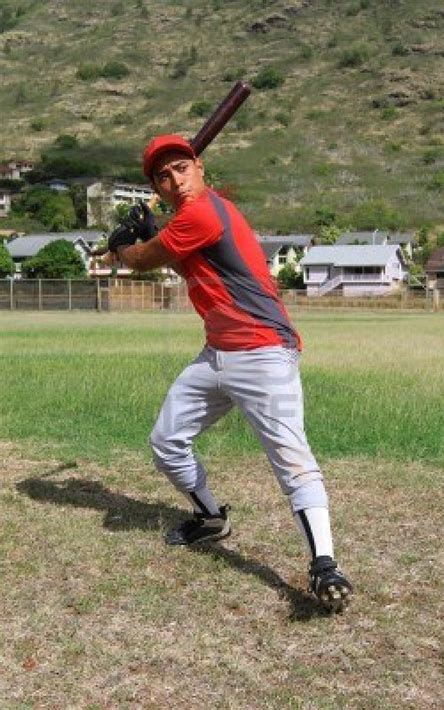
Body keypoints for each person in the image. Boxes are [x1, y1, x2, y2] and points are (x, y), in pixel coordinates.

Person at [105, 134, 353, 613]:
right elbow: (184, 265)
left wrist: (124, 248)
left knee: (292, 458)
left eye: (181, 168)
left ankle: (325, 564)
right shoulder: (192, 223)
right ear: (157, 186)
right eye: (163, 176)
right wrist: (148, 235)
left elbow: (146, 260)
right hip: (217, 353)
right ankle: (209, 516)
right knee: (166, 439)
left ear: (200, 169)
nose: (174, 180)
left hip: (263, 352)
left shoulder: (204, 212)